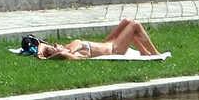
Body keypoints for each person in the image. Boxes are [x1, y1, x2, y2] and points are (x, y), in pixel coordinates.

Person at [18, 19, 166, 60]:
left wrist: (43, 49)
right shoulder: (71, 53)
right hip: (114, 50)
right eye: (55, 46)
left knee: (127, 21)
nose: (56, 44)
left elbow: (45, 47)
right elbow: (62, 54)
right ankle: (155, 53)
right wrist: (46, 55)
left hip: (107, 43)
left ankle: (144, 52)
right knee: (134, 25)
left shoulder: (69, 47)